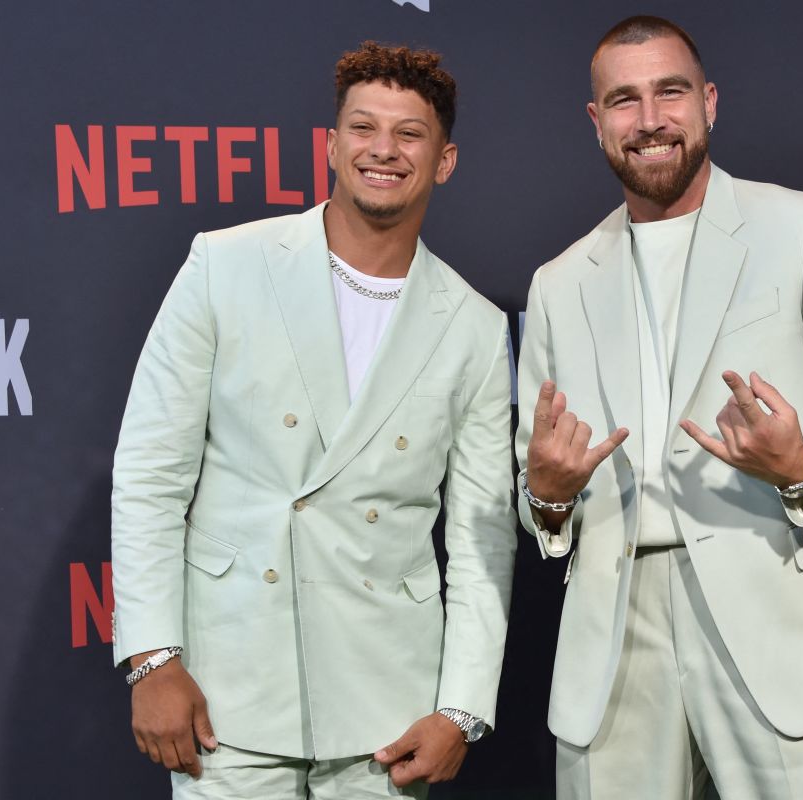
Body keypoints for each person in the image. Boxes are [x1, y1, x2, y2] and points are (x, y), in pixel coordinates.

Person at [516, 15, 803, 799]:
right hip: (614, 636)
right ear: (596, 121)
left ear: (708, 103)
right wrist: (548, 498)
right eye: (623, 100)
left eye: (670, 92)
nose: (649, 119)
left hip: (777, 616)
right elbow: (534, 489)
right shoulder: (559, 283)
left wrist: (800, 468)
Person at [111, 41, 516, 799]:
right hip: (226, 693)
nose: (383, 150)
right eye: (363, 128)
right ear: (332, 145)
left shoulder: (474, 327)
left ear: (445, 160)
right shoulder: (225, 265)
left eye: (409, 134)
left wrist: (461, 709)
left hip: (388, 707)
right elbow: (150, 475)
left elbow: (479, 535)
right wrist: (152, 660)